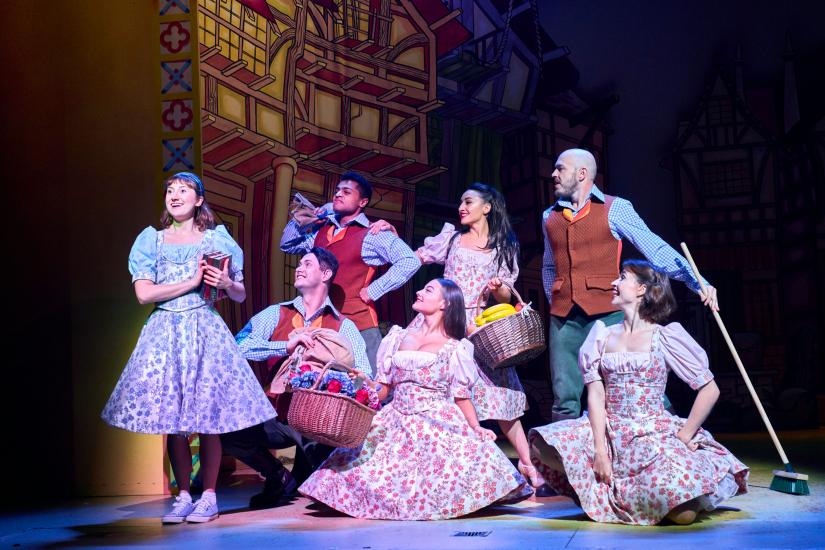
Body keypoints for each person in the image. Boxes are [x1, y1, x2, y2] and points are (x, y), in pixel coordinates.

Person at [101, 172, 275, 524]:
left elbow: (238, 292)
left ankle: (208, 496)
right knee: (174, 420)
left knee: (208, 418)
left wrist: (227, 282)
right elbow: (144, 294)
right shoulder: (152, 240)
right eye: (169, 190)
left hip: (203, 327)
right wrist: (191, 281)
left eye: (184, 190)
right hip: (166, 330)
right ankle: (182, 495)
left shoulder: (216, 240)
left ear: (199, 200)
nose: (174, 195)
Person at [529, 260, 748, 525]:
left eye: (622, 278)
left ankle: (649, 493)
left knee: (683, 515)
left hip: (650, 432)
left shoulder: (665, 336)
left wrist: (685, 434)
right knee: (541, 444)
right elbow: (596, 396)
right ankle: (604, 491)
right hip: (610, 429)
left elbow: (709, 388)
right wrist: (600, 450)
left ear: (642, 289)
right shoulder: (602, 335)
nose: (613, 283)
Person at [299, 279, 530, 520]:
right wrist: (365, 385)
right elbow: (383, 389)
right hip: (396, 417)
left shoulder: (455, 347)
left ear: (445, 303)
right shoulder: (398, 337)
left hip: (437, 418)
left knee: (459, 467)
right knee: (357, 466)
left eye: (428, 290)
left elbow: (461, 396)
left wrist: (475, 427)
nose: (419, 291)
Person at [372, 182, 540, 488]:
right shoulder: (450, 240)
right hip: (442, 325)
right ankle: (429, 468)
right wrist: (388, 237)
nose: (461, 207)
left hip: (479, 330)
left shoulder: (504, 247)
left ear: (487, 207)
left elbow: (505, 295)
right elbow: (413, 258)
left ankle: (528, 464)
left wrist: (497, 289)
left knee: (499, 400)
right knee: (429, 398)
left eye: (468, 202)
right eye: (460, 202)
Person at [543, 148, 719, 421]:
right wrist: (555, 297)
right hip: (564, 318)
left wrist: (698, 282)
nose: (553, 174)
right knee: (564, 397)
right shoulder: (549, 217)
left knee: (635, 384)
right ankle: (564, 461)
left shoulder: (616, 208)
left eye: (560, 168)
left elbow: (656, 250)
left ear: (582, 174)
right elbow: (549, 265)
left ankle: (670, 442)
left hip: (609, 312)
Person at [221, 247, 370, 509]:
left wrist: (347, 382)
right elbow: (239, 345)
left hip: (318, 421)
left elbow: (365, 373)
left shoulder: (343, 326)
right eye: (299, 263)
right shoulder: (276, 313)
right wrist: (284, 346)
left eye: (307, 264)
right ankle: (277, 475)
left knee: (316, 482)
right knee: (232, 433)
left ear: (325, 273)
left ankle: (313, 480)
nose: (299, 268)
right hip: (275, 414)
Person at [280, 172, 419, 374]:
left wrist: (374, 290)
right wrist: (307, 220)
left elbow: (410, 260)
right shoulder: (321, 231)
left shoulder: (371, 234)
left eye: (346, 192)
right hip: (323, 326)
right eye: (337, 191)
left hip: (359, 324)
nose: (338, 194)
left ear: (362, 201)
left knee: (368, 386)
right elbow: (287, 245)